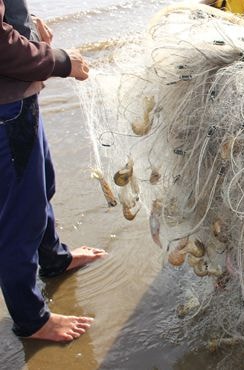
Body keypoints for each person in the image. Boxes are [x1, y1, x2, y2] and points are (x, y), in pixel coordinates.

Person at [0, 0, 107, 342]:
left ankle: (54, 259)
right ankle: (32, 320)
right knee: (20, 214)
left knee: (41, 186)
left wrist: (30, 31)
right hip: (6, 109)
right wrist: (60, 61)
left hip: (18, 97)